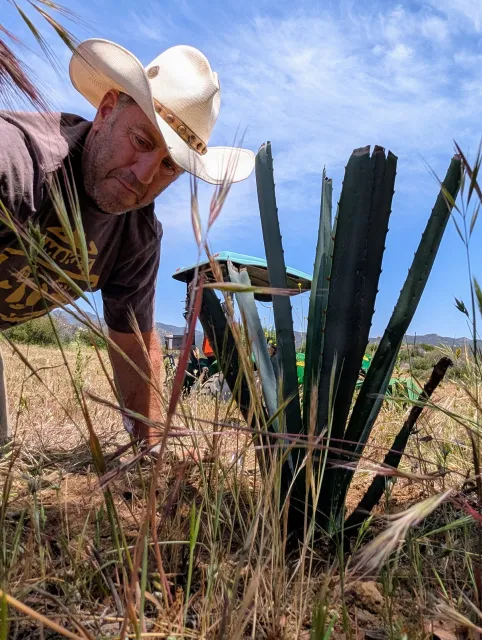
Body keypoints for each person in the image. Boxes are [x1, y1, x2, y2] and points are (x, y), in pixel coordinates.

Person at [0, 38, 255, 450]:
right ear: (104, 112)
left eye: (169, 165)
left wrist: (149, 455)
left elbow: (134, 347)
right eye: (142, 141)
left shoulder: (136, 236)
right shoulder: (17, 161)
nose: (144, 174)